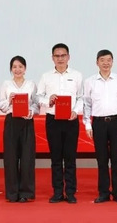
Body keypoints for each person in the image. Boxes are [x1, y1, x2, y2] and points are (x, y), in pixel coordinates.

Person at [37, 43, 83, 204]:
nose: (60, 58)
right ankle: (57, 192)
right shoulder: (46, 76)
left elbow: (81, 97)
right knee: (56, 158)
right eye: (57, 56)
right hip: (53, 120)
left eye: (63, 55)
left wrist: (75, 111)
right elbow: (38, 97)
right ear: (52, 58)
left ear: (68, 57)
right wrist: (47, 100)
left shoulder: (77, 75)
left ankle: (70, 192)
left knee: (70, 158)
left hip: (71, 120)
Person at [83, 49, 117, 204]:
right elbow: (87, 105)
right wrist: (87, 125)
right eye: (102, 60)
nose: (106, 63)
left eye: (108, 60)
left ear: (112, 62)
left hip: (116, 122)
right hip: (98, 123)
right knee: (101, 159)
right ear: (97, 62)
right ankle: (103, 192)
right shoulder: (90, 81)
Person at [0, 55, 39, 203]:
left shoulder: (31, 84)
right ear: (11, 69)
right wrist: (9, 101)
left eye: (20, 66)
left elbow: (36, 104)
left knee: (27, 158)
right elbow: (1, 105)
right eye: (14, 67)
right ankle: (12, 193)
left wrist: (31, 112)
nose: (17, 69)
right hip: (11, 122)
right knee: (11, 158)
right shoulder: (6, 84)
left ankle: (25, 193)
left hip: (27, 122)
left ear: (25, 68)